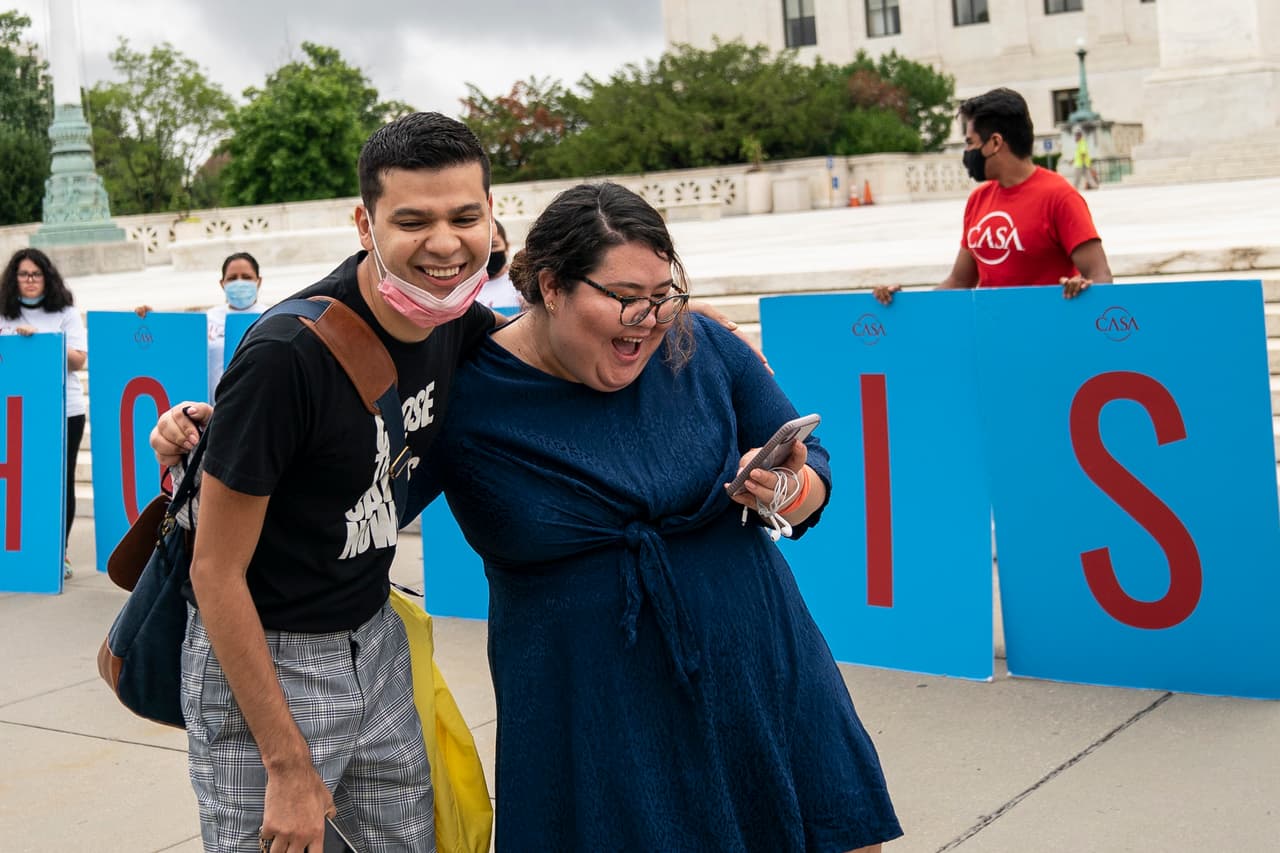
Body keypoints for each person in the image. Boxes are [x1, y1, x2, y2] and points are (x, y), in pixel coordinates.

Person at [148, 116, 761, 853]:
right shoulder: (286, 355)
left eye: (465, 216)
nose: (445, 242)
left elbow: (551, 331)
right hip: (271, 655)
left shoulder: (454, 325)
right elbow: (215, 570)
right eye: (413, 219)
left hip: (374, 641)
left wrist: (672, 312)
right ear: (365, 223)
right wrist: (285, 762)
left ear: (492, 216)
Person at [411, 183, 902, 851]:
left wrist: (789, 485)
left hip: (757, 670)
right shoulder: (463, 396)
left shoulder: (698, 343)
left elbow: (812, 464)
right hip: (594, 717)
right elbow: (350, 509)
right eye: (625, 298)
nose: (649, 317)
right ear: (551, 285)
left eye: (664, 293)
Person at [875, 87, 1112, 305]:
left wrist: (1083, 291)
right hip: (991, 336)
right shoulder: (978, 199)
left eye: (970, 143)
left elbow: (1100, 275)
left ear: (995, 142)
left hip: (1046, 337)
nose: (967, 153)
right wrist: (905, 306)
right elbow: (959, 281)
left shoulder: (1059, 196)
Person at [0, 248, 87, 579]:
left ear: (47, 277)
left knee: (60, 482)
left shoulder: (63, 311)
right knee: (20, 480)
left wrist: (42, 344)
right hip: (17, 409)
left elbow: (79, 359)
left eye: (36, 274)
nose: (30, 280)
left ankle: (58, 552)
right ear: (14, 278)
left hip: (64, 410)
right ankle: (21, 549)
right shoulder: (4, 313)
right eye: (23, 274)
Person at [135, 252, 267, 401]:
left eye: (246, 277)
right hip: (211, 411)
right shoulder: (207, 319)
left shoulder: (271, 318)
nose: (239, 282)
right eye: (232, 278)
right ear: (222, 283)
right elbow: (176, 349)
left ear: (258, 281)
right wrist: (154, 322)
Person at [476, 219, 523, 310]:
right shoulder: (461, 288)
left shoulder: (522, 284)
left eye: (493, 245)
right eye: (482, 247)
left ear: (507, 246)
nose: (489, 252)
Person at [1072, 126, 1099, 191]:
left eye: (1076, 136)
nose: (1075, 137)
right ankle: (1095, 186)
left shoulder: (1082, 143)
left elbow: (1083, 154)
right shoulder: (1080, 143)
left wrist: (1083, 163)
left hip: (1080, 165)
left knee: (1077, 178)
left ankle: (1073, 190)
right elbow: (1078, 154)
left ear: (1079, 136)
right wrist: (1072, 160)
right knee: (1088, 176)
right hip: (1082, 164)